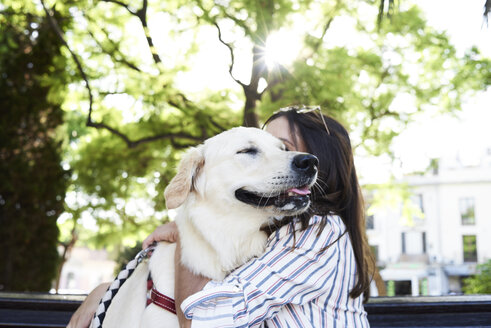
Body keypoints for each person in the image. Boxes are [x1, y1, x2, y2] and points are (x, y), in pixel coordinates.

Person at [68, 106, 373, 328]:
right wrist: (108, 291)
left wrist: (185, 234)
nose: (289, 161)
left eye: (285, 150)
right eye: (253, 149)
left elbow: (200, 320)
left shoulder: (316, 233)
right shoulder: (269, 233)